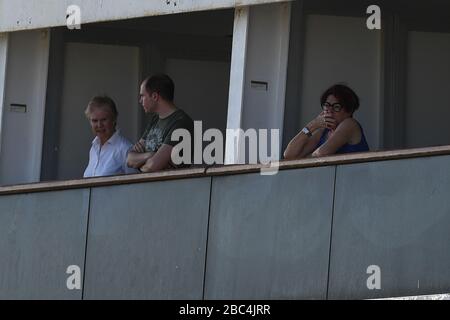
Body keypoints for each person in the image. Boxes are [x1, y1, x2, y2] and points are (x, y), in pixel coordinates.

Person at [127, 74, 194, 172]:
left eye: (142, 96)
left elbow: (151, 166)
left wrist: (142, 160)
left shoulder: (181, 122)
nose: (140, 100)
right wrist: (151, 155)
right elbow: (129, 160)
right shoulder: (155, 119)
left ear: (154, 96)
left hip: (170, 186)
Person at [284, 84, 369, 159]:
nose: (329, 110)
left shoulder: (349, 124)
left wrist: (303, 158)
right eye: (327, 105)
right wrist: (313, 125)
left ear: (349, 111)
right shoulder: (324, 131)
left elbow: (320, 154)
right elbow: (289, 154)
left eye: (336, 107)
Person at [83, 96, 138, 177]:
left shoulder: (125, 149)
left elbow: (135, 184)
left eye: (104, 120)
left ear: (114, 119)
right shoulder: (93, 149)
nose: (99, 125)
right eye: (94, 120)